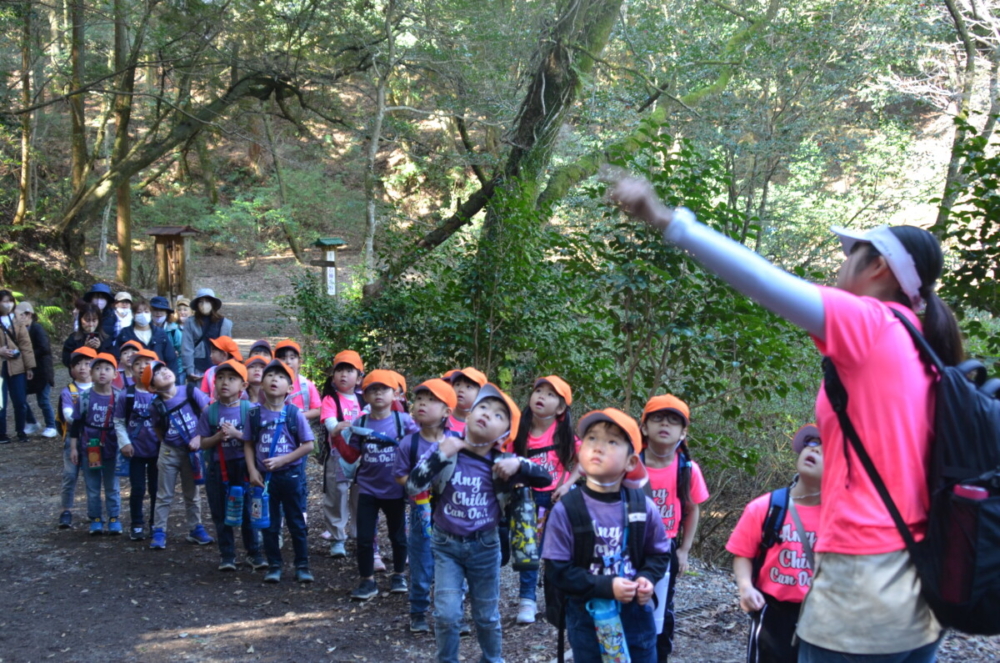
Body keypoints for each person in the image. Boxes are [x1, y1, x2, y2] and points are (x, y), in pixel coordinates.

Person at [611, 177, 963, 661]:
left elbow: (765, 281)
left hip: (863, 580)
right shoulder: (925, 342)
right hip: (925, 578)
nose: (841, 266)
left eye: (850, 255)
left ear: (878, 266)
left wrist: (666, 219)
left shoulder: (871, 321)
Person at [406, 383, 552, 663]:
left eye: (499, 415)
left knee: (486, 616)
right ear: (469, 415)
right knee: (447, 614)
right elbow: (413, 486)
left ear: (506, 433)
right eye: (482, 407)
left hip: (484, 547)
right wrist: (440, 454)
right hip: (446, 545)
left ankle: (492, 658)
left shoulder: (503, 462)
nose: (487, 414)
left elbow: (545, 479)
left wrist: (519, 463)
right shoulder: (447, 449)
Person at [542, 408, 671, 663]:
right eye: (591, 438)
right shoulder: (567, 509)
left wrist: (646, 578)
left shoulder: (643, 507)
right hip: (586, 615)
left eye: (612, 442)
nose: (598, 447)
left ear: (631, 462)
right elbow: (557, 570)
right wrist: (605, 586)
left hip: (635, 614)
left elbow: (659, 553)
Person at [727, 424, 823, 663]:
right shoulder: (766, 507)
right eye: (812, 443)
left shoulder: (839, 516)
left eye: (828, 449)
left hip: (821, 614)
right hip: (772, 612)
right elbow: (743, 553)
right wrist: (746, 587)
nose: (817, 450)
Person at [329, 369, 420, 600]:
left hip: (395, 489)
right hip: (367, 487)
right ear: (365, 396)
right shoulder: (360, 422)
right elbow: (351, 456)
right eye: (372, 390)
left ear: (395, 394)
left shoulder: (404, 421)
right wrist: (337, 437)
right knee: (364, 537)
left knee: (398, 536)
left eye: (384, 389)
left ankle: (399, 575)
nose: (378, 393)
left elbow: (420, 448)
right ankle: (367, 581)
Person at [640, 394, 710, 662]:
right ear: (644, 427)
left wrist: (684, 550)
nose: (664, 425)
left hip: (665, 547)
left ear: (683, 431)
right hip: (629, 545)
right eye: (657, 418)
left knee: (660, 608)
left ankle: (657, 656)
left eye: (673, 420)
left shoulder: (687, 469)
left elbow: (692, 509)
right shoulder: (631, 463)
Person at [509, 375, 579, 624]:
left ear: (560, 408)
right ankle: (527, 600)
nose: (541, 396)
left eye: (551, 394)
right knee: (528, 550)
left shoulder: (564, 433)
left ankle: (557, 601)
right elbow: (507, 457)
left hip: (557, 500)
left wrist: (568, 484)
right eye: (539, 390)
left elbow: (583, 459)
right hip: (526, 499)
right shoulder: (519, 430)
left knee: (557, 553)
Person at [393, 378, 457, 633]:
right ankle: (418, 611)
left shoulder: (456, 442)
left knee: (451, 563)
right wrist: (416, 484)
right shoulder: (410, 443)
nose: (423, 404)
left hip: (453, 514)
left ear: (447, 412)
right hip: (421, 513)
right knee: (421, 561)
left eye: (432, 401)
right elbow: (400, 475)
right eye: (420, 399)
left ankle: (453, 612)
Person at [244, 360, 315, 583]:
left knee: (296, 522)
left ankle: (302, 565)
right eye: (270, 375)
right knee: (269, 523)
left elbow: (308, 445)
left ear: (290, 388)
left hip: (291, 476)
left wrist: (284, 459)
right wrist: (252, 471)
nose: (275, 379)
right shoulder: (254, 415)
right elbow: (248, 443)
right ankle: (274, 565)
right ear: (261, 383)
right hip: (264, 479)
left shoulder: (294, 413)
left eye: (281, 377)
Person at [193, 359, 265, 571]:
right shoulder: (210, 412)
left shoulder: (251, 410)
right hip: (217, 469)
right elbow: (202, 442)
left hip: (244, 466)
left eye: (232, 379)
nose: (225, 383)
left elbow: (258, 440)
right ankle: (227, 555)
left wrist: (236, 434)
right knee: (220, 511)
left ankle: (254, 553)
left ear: (243, 386)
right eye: (221, 378)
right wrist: (217, 438)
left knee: (249, 510)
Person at [145, 360, 215, 550]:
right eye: (158, 374)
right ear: (152, 387)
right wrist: (167, 445)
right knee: (164, 494)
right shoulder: (156, 406)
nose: (165, 373)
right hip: (169, 451)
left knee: (192, 493)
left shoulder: (190, 391)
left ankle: (196, 528)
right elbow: (158, 429)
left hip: (192, 451)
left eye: (165, 369)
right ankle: (159, 531)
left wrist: (200, 437)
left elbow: (208, 415)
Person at [68, 352, 122, 535]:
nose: (102, 372)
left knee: (112, 486)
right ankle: (96, 519)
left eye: (107, 369)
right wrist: (74, 448)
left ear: (115, 374)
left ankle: (114, 518)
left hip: (112, 449)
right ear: (91, 373)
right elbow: (76, 424)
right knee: (92, 487)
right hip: (89, 448)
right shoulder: (84, 398)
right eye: (97, 368)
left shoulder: (119, 397)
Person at [320, 350, 365, 558]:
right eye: (340, 370)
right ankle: (338, 538)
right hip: (338, 456)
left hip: (362, 458)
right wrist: (338, 426)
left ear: (359, 377)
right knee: (336, 495)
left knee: (361, 495)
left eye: (349, 371)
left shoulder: (365, 400)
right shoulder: (330, 399)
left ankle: (359, 532)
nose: (344, 375)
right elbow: (330, 423)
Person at [114, 349, 162, 541]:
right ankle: (136, 524)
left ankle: (155, 524)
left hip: (158, 450)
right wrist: (124, 443)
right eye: (137, 364)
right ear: (130, 369)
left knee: (156, 490)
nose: (142, 367)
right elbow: (118, 421)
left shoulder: (161, 394)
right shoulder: (126, 395)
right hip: (135, 450)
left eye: (147, 363)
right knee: (138, 488)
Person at [56, 346, 95, 529]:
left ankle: (93, 511)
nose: (82, 368)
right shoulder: (68, 391)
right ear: (71, 368)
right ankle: (66, 510)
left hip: (94, 441)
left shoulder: (100, 389)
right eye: (77, 364)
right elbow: (68, 414)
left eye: (87, 364)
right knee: (70, 475)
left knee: (92, 475)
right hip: (73, 439)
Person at [16, 302, 58, 438]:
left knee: (43, 400)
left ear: (29, 315)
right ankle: (32, 421)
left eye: (21, 315)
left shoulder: (37, 329)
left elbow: (44, 348)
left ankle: (51, 425)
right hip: (29, 370)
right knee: (20, 397)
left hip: (42, 371)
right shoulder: (21, 330)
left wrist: (26, 354)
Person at [0, 289, 36, 444]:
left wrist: (29, 367)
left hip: (18, 366)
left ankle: (21, 431)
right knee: (1, 404)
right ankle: (2, 434)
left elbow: (26, 345)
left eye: (9, 301)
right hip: (1, 367)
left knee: (20, 401)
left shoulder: (17, 321)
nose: (7, 304)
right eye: (4, 301)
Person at [182, 288, 233, 385]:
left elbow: (228, 349)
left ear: (213, 303)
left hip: (218, 369)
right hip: (198, 368)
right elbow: (187, 347)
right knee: (199, 397)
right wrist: (190, 370)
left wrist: (227, 368)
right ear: (197, 304)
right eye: (201, 301)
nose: (204, 304)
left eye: (207, 301)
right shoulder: (190, 322)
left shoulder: (224, 323)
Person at [115, 297, 178, 371]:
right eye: (139, 312)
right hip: (133, 375)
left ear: (150, 313)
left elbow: (171, 358)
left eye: (146, 311)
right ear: (133, 314)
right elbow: (117, 355)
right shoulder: (125, 333)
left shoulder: (160, 333)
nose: (143, 315)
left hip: (156, 374)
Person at [274, 339, 321, 421]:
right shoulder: (272, 383)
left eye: (292, 358)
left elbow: (317, 410)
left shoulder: (306, 385)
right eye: (283, 358)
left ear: (299, 362)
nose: (288, 362)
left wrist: (298, 416)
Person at [61, 301, 113, 367]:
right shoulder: (73, 339)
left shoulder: (106, 338)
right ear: (80, 320)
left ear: (99, 321)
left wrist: (100, 348)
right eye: (87, 320)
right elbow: (67, 361)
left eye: (94, 320)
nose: (91, 324)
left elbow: (112, 360)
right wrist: (84, 349)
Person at [150, 295, 184, 383]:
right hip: (150, 371)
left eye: (161, 310)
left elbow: (182, 350)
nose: (158, 313)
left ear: (167, 313)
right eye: (155, 310)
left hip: (172, 370)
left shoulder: (174, 331)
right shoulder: (145, 330)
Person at [444, 367, 487, 435]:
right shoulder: (443, 416)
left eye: (468, 387)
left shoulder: (481, 424)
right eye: (457, 384)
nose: (461, 389)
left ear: (480, 394)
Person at [198, 336, 243, 401]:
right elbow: (204, 397)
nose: (210, 355)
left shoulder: (239, 372)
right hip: (214, 410)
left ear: (224, 355)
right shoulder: (210, 372)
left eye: (213, 352)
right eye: (220, 377)